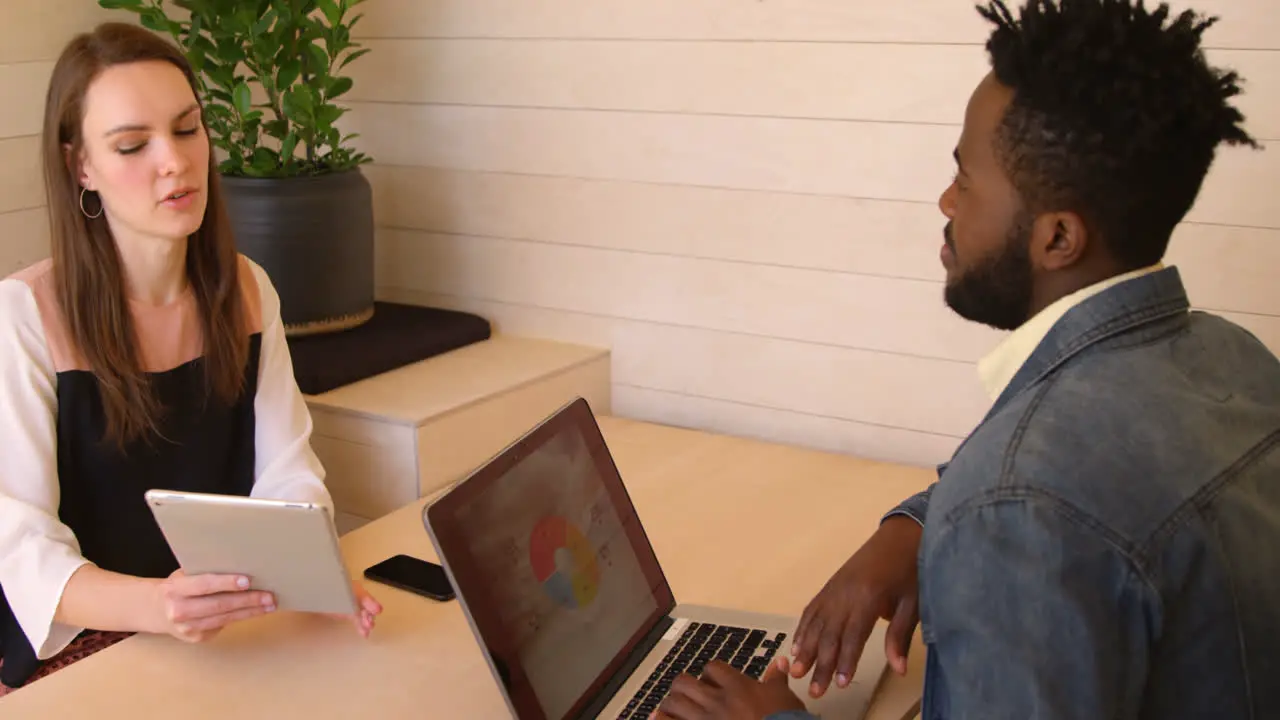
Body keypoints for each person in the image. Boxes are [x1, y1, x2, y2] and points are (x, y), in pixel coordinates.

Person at [657, 1, 1280, 718]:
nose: (946, 199)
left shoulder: (1019, 504)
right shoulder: (1231, 359)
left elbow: (1040, 504)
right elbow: (1100, 493)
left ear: (1057, 240)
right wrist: (914, 529)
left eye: (967, 179)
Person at [0, 22, 382, 695]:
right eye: (132, 145)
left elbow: (288, 475)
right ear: (79, 166)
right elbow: (24, 553)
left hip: (218, 626)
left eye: (186, 129)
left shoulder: (246, 288)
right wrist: (158, 606)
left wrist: (309, 571)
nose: (174, 161)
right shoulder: (24, 316)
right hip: (80, 646)